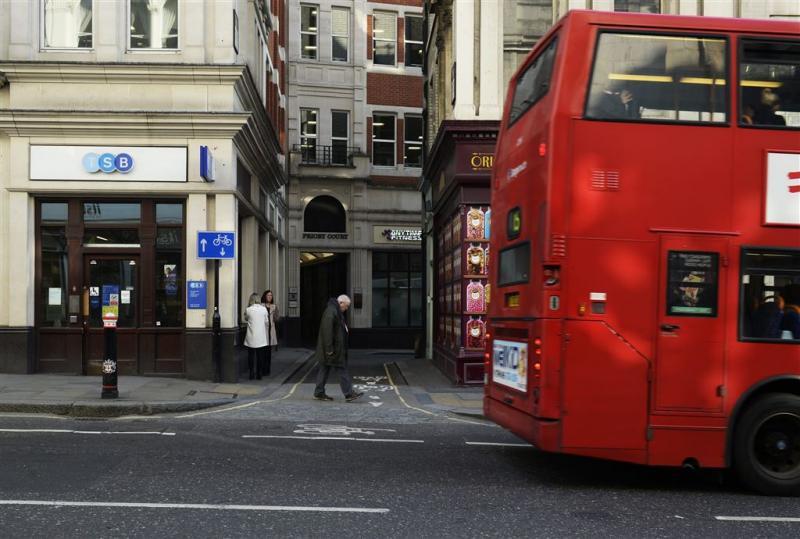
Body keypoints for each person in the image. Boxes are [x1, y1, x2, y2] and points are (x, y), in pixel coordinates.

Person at [313, 294, 363, 402]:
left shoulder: (335, 311)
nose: (346, 309)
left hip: (333, 349)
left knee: (324, 369)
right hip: (333, 349)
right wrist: (329, 349)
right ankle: (349, 394)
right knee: (341, 369)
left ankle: (319, 392)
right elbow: (327, 332)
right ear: (340, 303)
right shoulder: (332, 312)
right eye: (346, 306)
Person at [243, 293, 269, 380]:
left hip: (251, 336)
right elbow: (266, 321)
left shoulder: (248, 309)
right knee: (260, 356)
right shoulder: (264, 309)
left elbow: (246, 319)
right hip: (261, 336)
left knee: (250, 356)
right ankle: (259, 374)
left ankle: (251, 373)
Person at [260, 289, 280, 376]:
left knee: (268, 353)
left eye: (271, 295)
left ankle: (267, 370)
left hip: (270, 331)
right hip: (263, 331)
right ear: (265, 296)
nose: (270, 297)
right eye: (268, 295)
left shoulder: (274, 306)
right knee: (262, 352)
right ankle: (262, 369)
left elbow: (276, 318)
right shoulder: (261, 306)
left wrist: (276, 314)